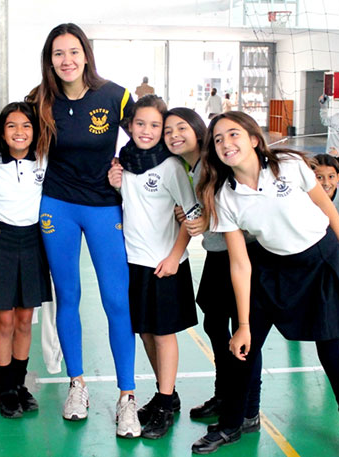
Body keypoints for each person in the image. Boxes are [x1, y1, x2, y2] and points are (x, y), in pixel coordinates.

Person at [191, 111, 339, 457]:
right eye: (218, 139)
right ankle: (232, 424)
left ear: (254, 140)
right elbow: (240, 262)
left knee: (332, 355)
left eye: (233, 134)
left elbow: (327, 209)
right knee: (244, 349)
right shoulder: (225, 196)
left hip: (320, 262)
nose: (226, 143)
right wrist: (243, 325)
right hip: (270, 266)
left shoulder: (289, 165)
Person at [25, 23, 140, 438]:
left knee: (115, 300)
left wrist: (125, 163)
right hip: (57, 205)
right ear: (49, 59)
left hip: (103, 207)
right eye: (58, 53)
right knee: (67, 296)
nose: (67, 60)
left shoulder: (114, 95)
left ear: (86, 55)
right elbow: (11, 140)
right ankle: (77, 385)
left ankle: (128, 397)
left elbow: (147, 135)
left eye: (73, 51)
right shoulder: (39, 100)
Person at [165, 107, 263, 428]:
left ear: (197, 131)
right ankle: (224, 395)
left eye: (182, 128)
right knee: (214, 325)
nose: (175, 135)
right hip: (215, 253)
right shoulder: (183, 165)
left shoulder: (215, 162)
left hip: (242, 253)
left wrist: (208, 218)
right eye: (169, 131)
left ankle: (249, 409)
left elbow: (232, 202)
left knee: (245, 333)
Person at [108, 96, 198, 439]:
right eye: (140, 124)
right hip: (134, 262)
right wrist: (116, 185)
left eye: (154, 125)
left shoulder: (171, 166)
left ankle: (163, 402)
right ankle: (167, 394)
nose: (146, 131)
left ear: (163, 131)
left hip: (164, 263)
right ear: (130, 126)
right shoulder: (125, 163)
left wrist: (175, 256)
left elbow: (192, 216)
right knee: (145, 331)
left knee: (163, 334)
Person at [0, 102, 52, 419]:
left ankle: (19, 385)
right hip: (0, 243)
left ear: (35, 132)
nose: (19, 132)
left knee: (23, 319)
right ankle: (5, 388)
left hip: (33, 243)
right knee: (4, 321)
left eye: (26, 126)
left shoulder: (44, 162)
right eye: (11, 126)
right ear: (1, 132)